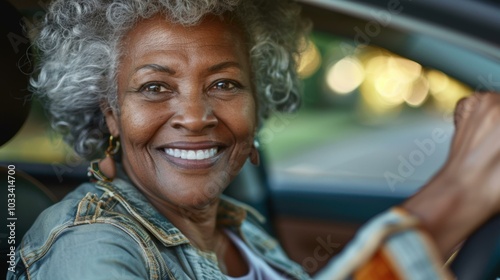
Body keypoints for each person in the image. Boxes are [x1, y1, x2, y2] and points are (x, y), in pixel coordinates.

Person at [7, 0, 500, 279]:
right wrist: (443, 209)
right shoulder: (87, 248)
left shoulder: (242, 229)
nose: (197, 116)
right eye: (155, 87)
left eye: (224, 84)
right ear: (111, 114)